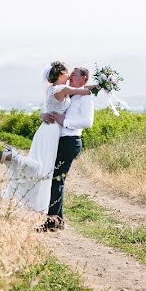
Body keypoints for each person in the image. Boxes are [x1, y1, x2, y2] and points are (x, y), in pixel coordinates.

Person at [0, 62, 93, 213]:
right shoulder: (65, 89)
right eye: (69, 72)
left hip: (48, 130)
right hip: (52, 131)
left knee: (45, 167)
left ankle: (15, 158)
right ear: (61, 73)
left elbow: (80, 93)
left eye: (74, 74)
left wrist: (44, 115)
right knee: (44, 168)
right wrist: (102, 85)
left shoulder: (54, 89)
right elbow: (85, 91)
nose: (70, 75)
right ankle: (15, 158)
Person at [37, 66, 96, 231]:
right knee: (56, 180)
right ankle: (58, 221)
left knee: (56, 180)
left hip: (70, 142)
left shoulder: (86, 99)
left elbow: (88, 122)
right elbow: (52, 104)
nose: (69, 76)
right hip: (60, 141)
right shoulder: (73, 93)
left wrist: (65, 122)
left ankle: (52, 222)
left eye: (74, 74)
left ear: (83, 78)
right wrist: (43, 115)